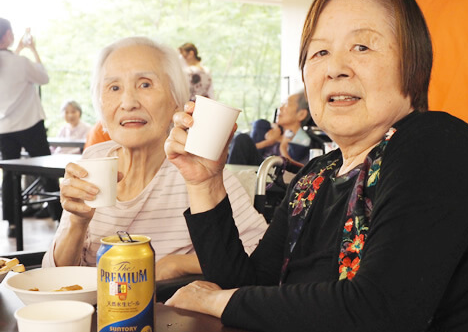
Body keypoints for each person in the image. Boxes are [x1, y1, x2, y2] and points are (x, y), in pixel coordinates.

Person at [163, 0, 468, 332]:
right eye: (320, 52)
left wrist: (217, 300)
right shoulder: (316, 176)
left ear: (414, 63)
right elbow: (249, 289)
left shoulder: (437, 143)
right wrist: (204, 181)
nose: (335, 68)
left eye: (362, 47)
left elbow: (378, 313)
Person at [42, 37, 267, 282]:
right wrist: (77, 222)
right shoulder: (95, 158)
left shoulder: (198, 171)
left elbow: (261, 257)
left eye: (146, 84)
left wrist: (177, 264)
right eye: (114, 88)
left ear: (175, 99)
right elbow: (55, 278)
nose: (128, 103)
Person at [0, 18, 62, 234]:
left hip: (4, 129)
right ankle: (59, 217)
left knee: (9, 173)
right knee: (46, 169)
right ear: (7, 35)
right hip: (29, 123)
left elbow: (8, 65)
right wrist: (33, 50)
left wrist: (18, 49)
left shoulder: (12, 61)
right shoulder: (21, 62)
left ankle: (12, 223)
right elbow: (43, 78)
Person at [227, 91, 312, 167]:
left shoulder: (302, 139)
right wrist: (269, 142)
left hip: (273, 175)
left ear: (301, 114)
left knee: (242, 139)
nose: (280, 108)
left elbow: (293, 170)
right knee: (255, 127)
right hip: (261, 169)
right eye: (281, 104)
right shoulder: (275, 133)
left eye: (286, 104)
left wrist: (283, 146)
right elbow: (244, 152)